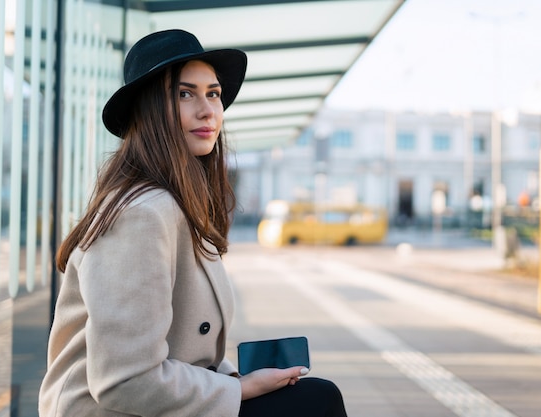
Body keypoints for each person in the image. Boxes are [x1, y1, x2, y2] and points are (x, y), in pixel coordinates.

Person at [38, 29, 348, 417]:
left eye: (213, 94)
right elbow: (124, 382)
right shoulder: (142, 215)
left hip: (158, 404)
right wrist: (241, 389)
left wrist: (238, 381)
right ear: (149, 110)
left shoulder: (179, 205)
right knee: (317, 401)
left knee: (312, 397)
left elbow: (184, 351)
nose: (207, 110)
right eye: (185, 94)